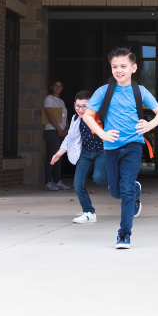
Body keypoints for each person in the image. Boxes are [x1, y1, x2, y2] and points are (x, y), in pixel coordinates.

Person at [83, 46, 158, 249]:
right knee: (115, 192)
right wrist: (102, 134)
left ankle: (124, 234)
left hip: (133, 145)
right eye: (114, 67)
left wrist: (149, 125)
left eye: (123, 66)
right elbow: (87, 115)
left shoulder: (140, 91)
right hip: (111, 146)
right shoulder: (103, 91)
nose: (119, 70)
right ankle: (134, 190)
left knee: (126, 189)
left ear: (133, 68)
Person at [50, 90, 108, 223]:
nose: (80, 110)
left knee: (99, 178)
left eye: (84, 106)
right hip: (86, 153)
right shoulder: (76, 119)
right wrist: (58, 153)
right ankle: (89, 212)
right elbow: (70, 138)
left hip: (102, 151)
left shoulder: (101, 116)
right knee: (78, 184)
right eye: (77, 106)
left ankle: (129, 186)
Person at [43, 80, 70, 191]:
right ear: (51, 87)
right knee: (52, 156)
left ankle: (58, 181)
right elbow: (49, 116)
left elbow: (64, 117)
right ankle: (48, 182)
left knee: (59, 157)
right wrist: (59, 129)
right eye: (56, 86)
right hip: (51, 131)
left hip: (61, 131)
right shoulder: (49, 99)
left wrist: (67, 129)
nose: (58, 88)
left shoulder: (61, 101)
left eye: (60, 86)